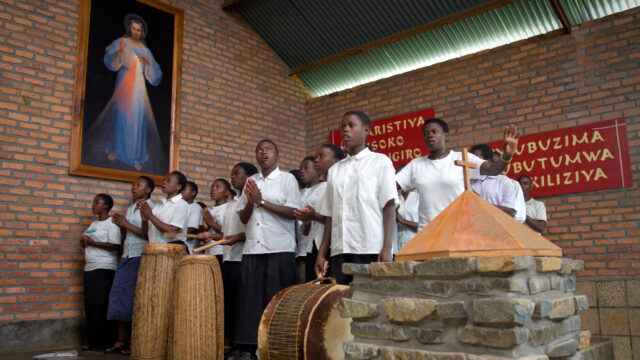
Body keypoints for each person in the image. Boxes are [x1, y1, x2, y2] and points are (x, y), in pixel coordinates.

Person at [315, 111, 398, 285]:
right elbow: (330, 215)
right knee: (342, 305)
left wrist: (387, 247)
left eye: (352, 125)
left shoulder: (380, 162)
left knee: (372, 305)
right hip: (341, 249)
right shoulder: (335, 171)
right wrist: (322, 253)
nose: (346, 130)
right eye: (343, 127)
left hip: (371, 247)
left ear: (366, 130)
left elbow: (389, 206)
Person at [235, 139, 300, 358]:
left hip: (279, 248)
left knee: (277, 301)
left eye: (268, 150)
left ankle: (277, 348)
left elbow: (293, 212)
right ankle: (250, 349)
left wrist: (261, 201)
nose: (264, 153)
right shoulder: (250, 181)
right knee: (250, 302)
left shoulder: (287, 179)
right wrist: (251, 202)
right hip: (253, 248)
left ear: (277, 155)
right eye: (259, 150)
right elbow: (244, 218)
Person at [396, 118, 521, 231]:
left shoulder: (463, 158)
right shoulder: (416, 164)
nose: (430, 135)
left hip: (459, 231)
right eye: (426, 134)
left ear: (446, 136)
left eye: (434, 131)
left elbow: (493, 170)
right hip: (428, 233)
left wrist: (506, 155)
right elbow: (392, 185)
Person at [85, 14, 164, 173]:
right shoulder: (122, 42)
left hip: (139, 88)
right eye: (134, 29)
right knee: (121, 115)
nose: (136, 32)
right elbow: (109, 58)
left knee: (137, 118)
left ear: (142, 32)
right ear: (129, 29)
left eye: (139, 30)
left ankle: (134, 155)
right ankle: (116, 148)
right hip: (124, 84)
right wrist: (119, 54)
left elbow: (155, 71)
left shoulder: (145, 50)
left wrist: (148, 65)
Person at [105, 176, 155, 355]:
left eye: (138, 185)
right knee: (117, 297)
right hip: (127, 255)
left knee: (135, 300)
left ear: (148, 190)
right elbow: (128, 233)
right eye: (133, 184)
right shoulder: (130, 208)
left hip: (140, 256)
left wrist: (126, 223)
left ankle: (136, 340)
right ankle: (122, 338)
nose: (133, 187)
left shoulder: (152, 208)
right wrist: (121, 225)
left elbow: (148, 234)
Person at [220, 163, 256, 358]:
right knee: (230, 301)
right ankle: (230, 341)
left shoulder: (249, 199)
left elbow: (253, 229)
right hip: (228, 258)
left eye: (237, 174)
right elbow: (228, 232)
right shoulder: (232, 203)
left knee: (241, 303)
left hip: (243, 257)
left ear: (249, 176)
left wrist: (239, 238)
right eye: (232, 173)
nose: (232, 177)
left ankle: (240, 344)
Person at [294, 144, 344, 281]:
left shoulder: (338, 186)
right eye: (316, 156)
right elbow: (306, 230)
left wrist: (314, 215)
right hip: (313, 246)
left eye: (321, 156)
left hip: (331, 246)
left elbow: (334, 217)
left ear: (336, 162)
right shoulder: (316, 191)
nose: (316, 160)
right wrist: (306, 221)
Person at [81, 194, 121, 351]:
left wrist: (93, 242)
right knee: (90, 305)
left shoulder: (112, 224)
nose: (93, 205)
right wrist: (83, 242)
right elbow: (86, 240)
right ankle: (92, 341)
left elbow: (115, 246)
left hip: (104, 268)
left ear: (106, 206)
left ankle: (103, 342)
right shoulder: (93, 224)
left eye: (97, 202)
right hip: (89, 267)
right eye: (93, 202)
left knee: (101, 306)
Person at [470, 144, 526, 223]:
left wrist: (483, 204)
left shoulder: (504, 182)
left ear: (487, 161)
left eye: (474, 158)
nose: (470, 161)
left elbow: (510, 212)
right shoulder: (470, 182)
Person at [138, 171, 190, 249]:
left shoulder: (181, 204)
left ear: (178, 186)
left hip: (172, 252)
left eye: (168, 180)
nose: (164, 183)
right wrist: (145, 220)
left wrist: (150, 216)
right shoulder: (159, 205)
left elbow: (172, 231)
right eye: (164, 180)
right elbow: (146, 235)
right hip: (155, 250)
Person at [295, 156, 318, 283]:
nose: (302, 171)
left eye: (306, 168)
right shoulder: (298, 192)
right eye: (300, 168)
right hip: (300, 247)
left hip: (316, 246)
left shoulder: (324, 187)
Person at [199, 179, 233, 264]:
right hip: (209, 251)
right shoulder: (209, 210)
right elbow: (207, 234)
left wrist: (211, 223)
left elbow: (229, 233)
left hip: (222, 252)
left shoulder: (229, 208)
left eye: (217, 187)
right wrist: (204, 229)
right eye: (212, 187)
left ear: (226, 192)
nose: (213, 189)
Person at [395, 165, 419, 252]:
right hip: (397, 247)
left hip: (418, 245)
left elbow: (428, 226)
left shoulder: (420, 197)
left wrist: (403, 221)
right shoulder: (395, 198)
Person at [183, 180, 202, 253]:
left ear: (193, 193)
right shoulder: (182, 207)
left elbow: (191, 231)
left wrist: (174, 232)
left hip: (190, 251)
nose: (181, 191)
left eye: (184, 189)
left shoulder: (195, 207)